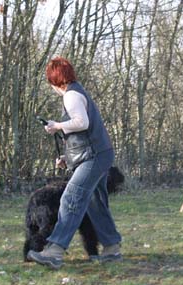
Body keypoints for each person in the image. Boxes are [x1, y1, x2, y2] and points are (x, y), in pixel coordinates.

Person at [27, 57, 122, 269]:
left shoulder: (71, 96)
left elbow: (82, 123)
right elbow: (83, 134)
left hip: (94, 156)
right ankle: (111, 248)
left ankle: (55, 250)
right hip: (98, 153)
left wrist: (57, 125)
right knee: (95, 202)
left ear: (54, 80)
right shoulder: (77, 92)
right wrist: (67, 158)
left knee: (72, 198)